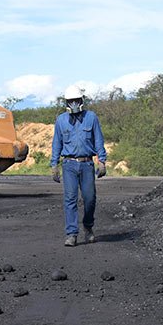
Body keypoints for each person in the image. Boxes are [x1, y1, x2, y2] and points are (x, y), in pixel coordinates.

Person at [50, 87, 107, 247]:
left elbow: (98, 140)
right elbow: (56, 143)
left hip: (87, 164)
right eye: (70, 101)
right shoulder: (61, 120)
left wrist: (101, 161)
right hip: (68, 165)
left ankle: (88, 227)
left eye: (77, 100)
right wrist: (54, 164)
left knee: (89, 199)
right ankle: (72, 234)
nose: (74, 104)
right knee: (70, 199)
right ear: (66, 102)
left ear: (82, 101)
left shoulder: (91, 117)